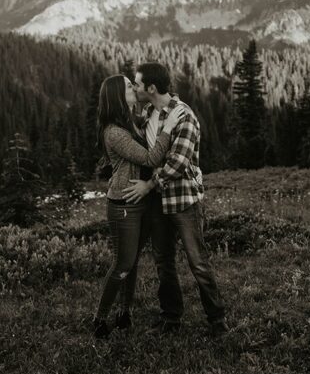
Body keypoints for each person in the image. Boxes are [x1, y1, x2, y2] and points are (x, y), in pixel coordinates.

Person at [122, 62, 228, 336]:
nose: (135, 86)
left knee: (197, 261)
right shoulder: (148, 112)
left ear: (152, 88)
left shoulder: (184, 117)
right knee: (163, 260)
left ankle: (217, 321)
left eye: (137, 83)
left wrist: (147, 185)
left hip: (183, 200)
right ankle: (171, 318)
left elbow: (178, 163)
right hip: (160, 201)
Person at [92, 74, 184, 339]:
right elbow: (150, 157)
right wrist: (168, 128)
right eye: (129, 86)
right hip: (123, 204)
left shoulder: (129, 122)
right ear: (119, 96)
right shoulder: (115, 132)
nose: (135, 87)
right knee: (122, 264)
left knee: (130, 264)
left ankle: (125, 313)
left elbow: (144, 125)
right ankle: (99, 319)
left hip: (137, 200)